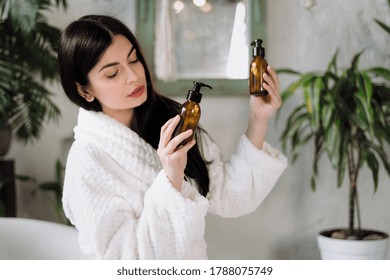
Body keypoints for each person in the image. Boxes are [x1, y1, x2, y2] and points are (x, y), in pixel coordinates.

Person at [57, 14, 287, 260]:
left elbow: (228, 196)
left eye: (133, 60)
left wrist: (258, 119)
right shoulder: (87, 161)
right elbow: (125, 260)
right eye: (113, 73)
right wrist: (171, 177)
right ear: (84, 90)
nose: (133, 76)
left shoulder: (170, 118)